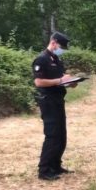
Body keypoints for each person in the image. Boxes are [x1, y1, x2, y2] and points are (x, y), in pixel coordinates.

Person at [32, 31, 77, 181]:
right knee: (52, 135)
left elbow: (60, 79)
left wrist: (70, 83)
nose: (62, 49)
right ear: (53, 42)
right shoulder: (41, 59)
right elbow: (38, 82)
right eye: (61, 46)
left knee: (61, 135)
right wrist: (59, 81)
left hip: (58, 100)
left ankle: (56, 165)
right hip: (48, 101)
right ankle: (44, 170)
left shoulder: (56, 60)